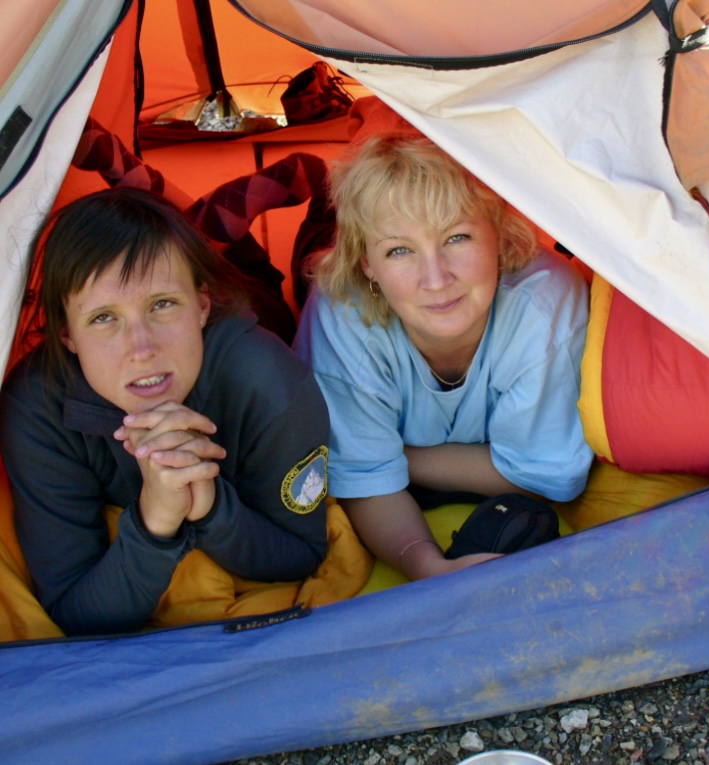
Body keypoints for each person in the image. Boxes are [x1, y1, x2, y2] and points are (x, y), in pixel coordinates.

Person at [0, 187, 330, 636]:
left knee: (288, 278)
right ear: (66, 336)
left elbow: (301, 552)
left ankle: (225, 223)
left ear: (200, 305)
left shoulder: (271, 381)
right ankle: (197, 209)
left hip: (254, 305)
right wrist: (155, 522)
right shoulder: (36, 410)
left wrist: (210, 506)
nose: (142, 349)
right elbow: (73, 608)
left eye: (162, 305)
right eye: (103, 318)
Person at [293, 134, 593, 581]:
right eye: (399, 250)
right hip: (340, 283)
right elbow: (360, 476)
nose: (435, 279)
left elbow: (549, 474)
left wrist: (394, 457)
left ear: (498, 233)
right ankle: (296, 183)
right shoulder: (342, 312)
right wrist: (425, 562)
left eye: (457, 237)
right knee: (268, 287)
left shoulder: (544, 303)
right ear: (367, 264)